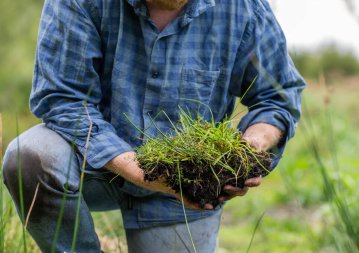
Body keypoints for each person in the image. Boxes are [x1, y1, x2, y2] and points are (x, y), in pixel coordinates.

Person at [2, 0, 305, 252]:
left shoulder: (243, 8)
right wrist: (142, 171)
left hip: (182, 191)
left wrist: (247, 151)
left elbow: (277, 97)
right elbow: (64, 99)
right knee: (30, 157)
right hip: (94, 164)